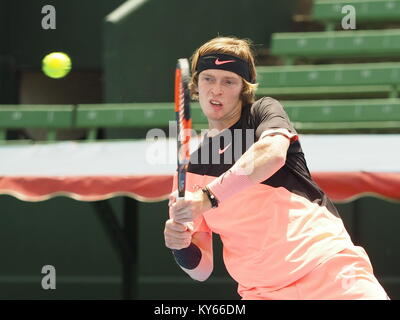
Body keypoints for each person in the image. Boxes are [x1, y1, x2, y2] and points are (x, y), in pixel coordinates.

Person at [164, 36, 390, 300]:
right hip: (261, 293)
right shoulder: (191, 167)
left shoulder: (262, 113)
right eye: (208, 78)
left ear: (243, 89)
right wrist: (179, 245)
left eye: (229, 81)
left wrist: (208, 198)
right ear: (195, 85)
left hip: (329, 272)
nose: (216, 89)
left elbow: (272, 156)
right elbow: (201, 269)